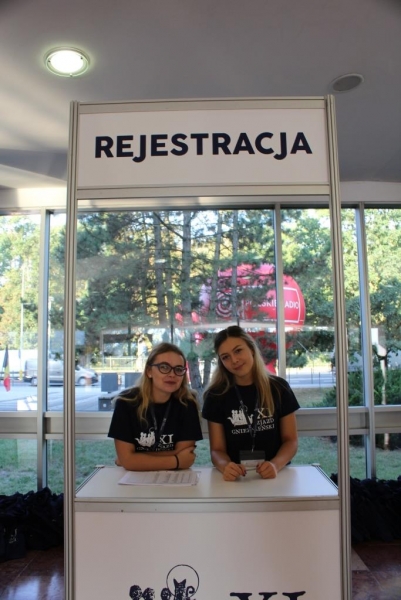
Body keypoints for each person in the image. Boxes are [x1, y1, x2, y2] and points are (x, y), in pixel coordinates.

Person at [202, 326, 299, 481]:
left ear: (252, 349)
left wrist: (275, 465)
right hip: (237, 479)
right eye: (225, 357)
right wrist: (226, 466)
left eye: (238, 351)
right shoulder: (216, 395)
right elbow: (217, 450)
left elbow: (291, 441)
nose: (234, 360)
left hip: (275, 477)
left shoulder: (279, 388)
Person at [108, 342, 203, 471]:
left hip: (175, 478)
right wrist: (176, 460)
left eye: (178, 369)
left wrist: (135, 459)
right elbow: (128, 461)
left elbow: (186, 455)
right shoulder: (126, 402)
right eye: (164, 367)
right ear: (149, 371)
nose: (172, 374)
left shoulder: (187, 403)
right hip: (134, 480)